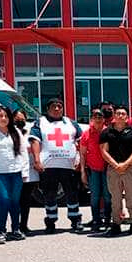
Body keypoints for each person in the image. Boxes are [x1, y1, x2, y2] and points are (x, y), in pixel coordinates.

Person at [29, 98, 83, 234]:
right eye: (54, 106)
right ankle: (51, 221)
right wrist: (37, 160)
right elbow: (35, 141)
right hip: (48, 166)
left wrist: (79, 159)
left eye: (60, 106)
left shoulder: (71, 123)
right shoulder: (40, 122)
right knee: (49, 194)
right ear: (48, 109)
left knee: (72, 193)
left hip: (69, 166)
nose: (57, 109)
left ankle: (75, 220)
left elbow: (81, 142)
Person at [0, 106, 29, 244]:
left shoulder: (16, 132)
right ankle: (1, 231)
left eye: (6, 116)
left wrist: (24, 171)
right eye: (0, 116)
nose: (3, 119)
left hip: (16, 173)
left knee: (15, 202)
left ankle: (15, 230)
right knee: (3, 201)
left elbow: (23, 152)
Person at [100, 104, 132, 236]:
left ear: (127, 117)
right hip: (113, 169)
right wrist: (115, 165)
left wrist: (125, 164)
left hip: (129, 168)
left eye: (123, 114)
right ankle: (116, 224)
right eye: (118, 113)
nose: (120, 116)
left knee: (131, 196)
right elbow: (103, 151)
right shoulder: (107, 132)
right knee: (115, 198)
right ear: (114, 116)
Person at [80, 106, 110, 231]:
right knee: (95, 196)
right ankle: (96, 219)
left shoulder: (109, 132)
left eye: (100, 116)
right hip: (93, 169)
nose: (98, 119)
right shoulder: (86, 133)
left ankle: (108, 219)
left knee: (108, 196)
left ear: (104, 119)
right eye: (95, 116)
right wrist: (83, 171)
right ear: (91, 119)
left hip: (108, 169)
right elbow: (82, 153)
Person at [13, 109, 39, 235]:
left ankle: (24, 225)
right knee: (14, 200)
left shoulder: (31, 130)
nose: (20, 121)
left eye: (22, 119)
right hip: (15, 171)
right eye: (17, 119)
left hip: (30, 171)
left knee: (26, 200)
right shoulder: (9, 131)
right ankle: (14, 226)